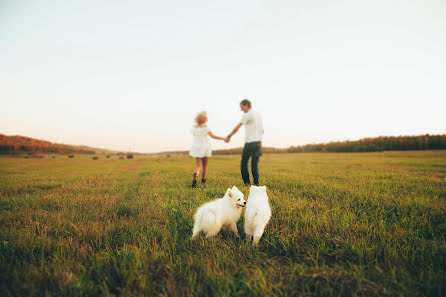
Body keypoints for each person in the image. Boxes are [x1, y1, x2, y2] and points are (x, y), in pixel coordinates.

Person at [225, 99, 263, 186]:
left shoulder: (248, 114)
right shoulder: (258, 115)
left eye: (242, 107)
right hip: (258, 143)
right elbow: (262, 130)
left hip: (250, 143)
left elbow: (237, 128)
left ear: (246, 105)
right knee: (254, 165)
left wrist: (229, 136)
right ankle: (256, 184)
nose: (241, 109)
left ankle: (247, 183)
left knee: (244, 164)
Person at [189, 111, 226, 188]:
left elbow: (194, 134)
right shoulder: (206, 128)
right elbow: (213, 136)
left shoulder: (194, 128)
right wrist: (223, 138)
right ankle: (203, 182)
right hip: (205, 146)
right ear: (204, 120)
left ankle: (195, 176)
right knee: (205, 166)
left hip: (196, 147)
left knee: (198, 165)